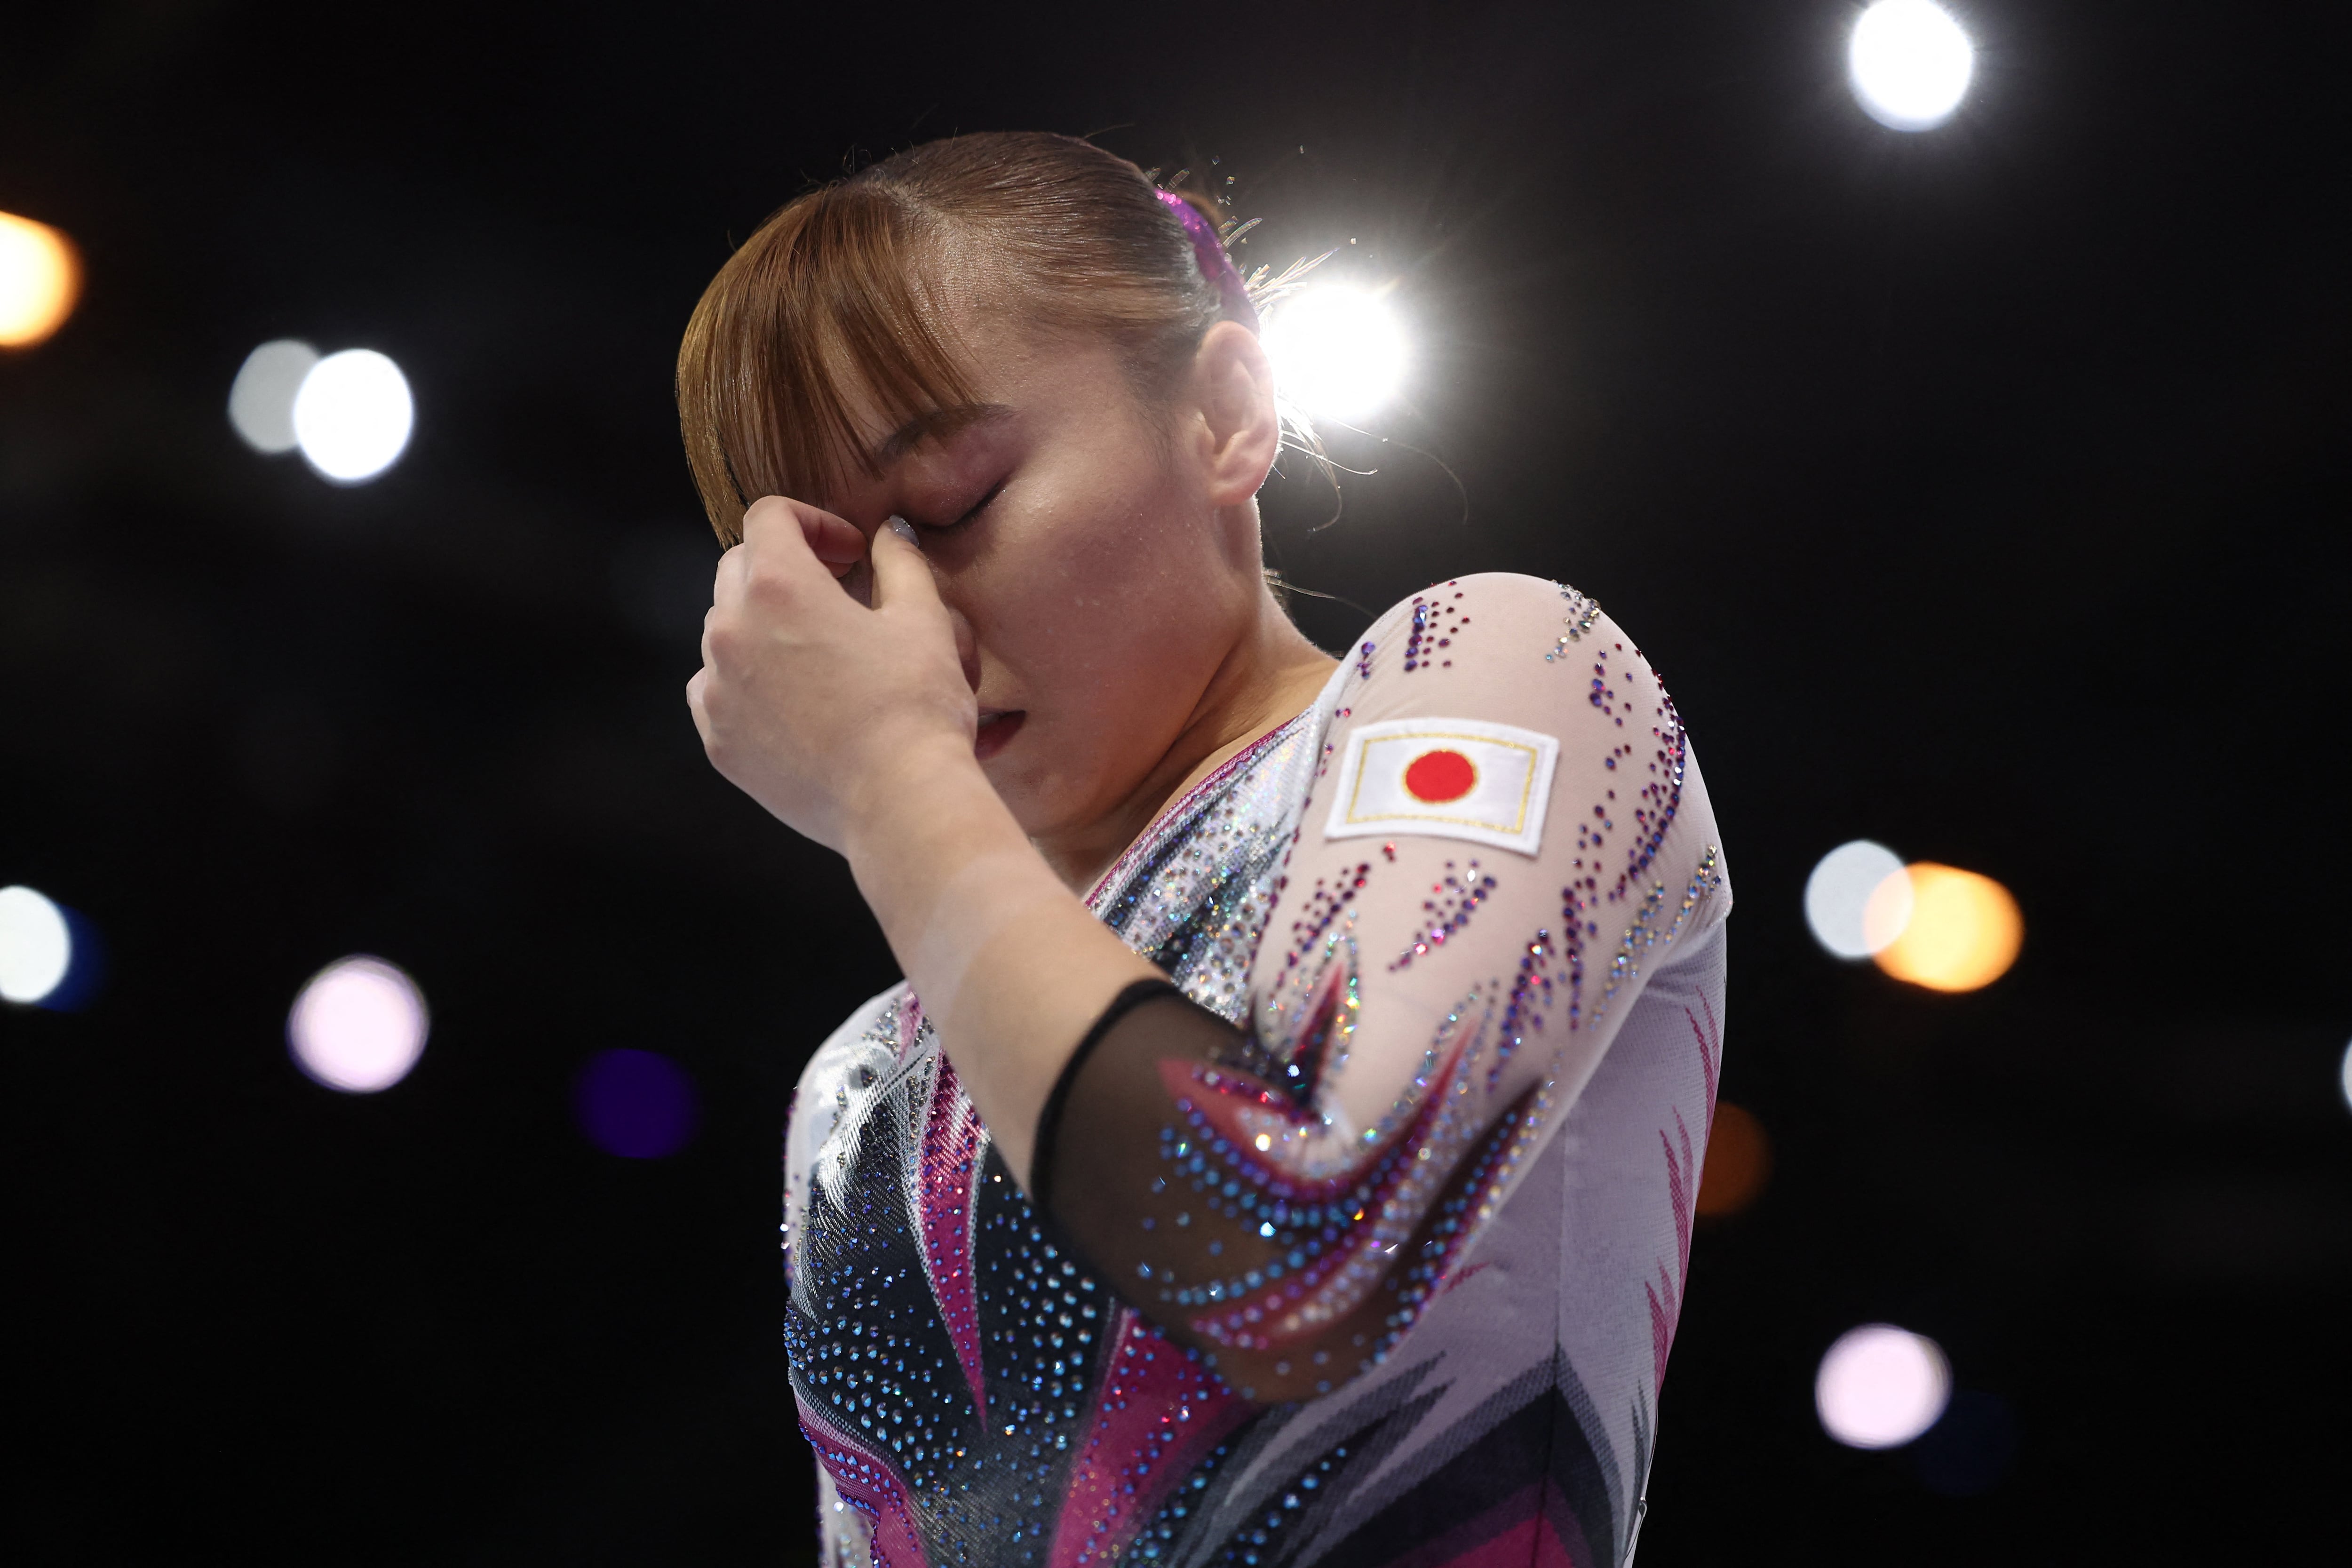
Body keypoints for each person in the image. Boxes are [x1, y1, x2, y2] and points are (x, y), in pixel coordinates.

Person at [676, 132, 1730, 1568]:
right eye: (846, 579)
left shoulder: (1508, 668)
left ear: (1224, 409)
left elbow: (1284, 1245)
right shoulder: (865, 1078)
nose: (903, 634)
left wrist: (886, 775)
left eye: (951, 508)